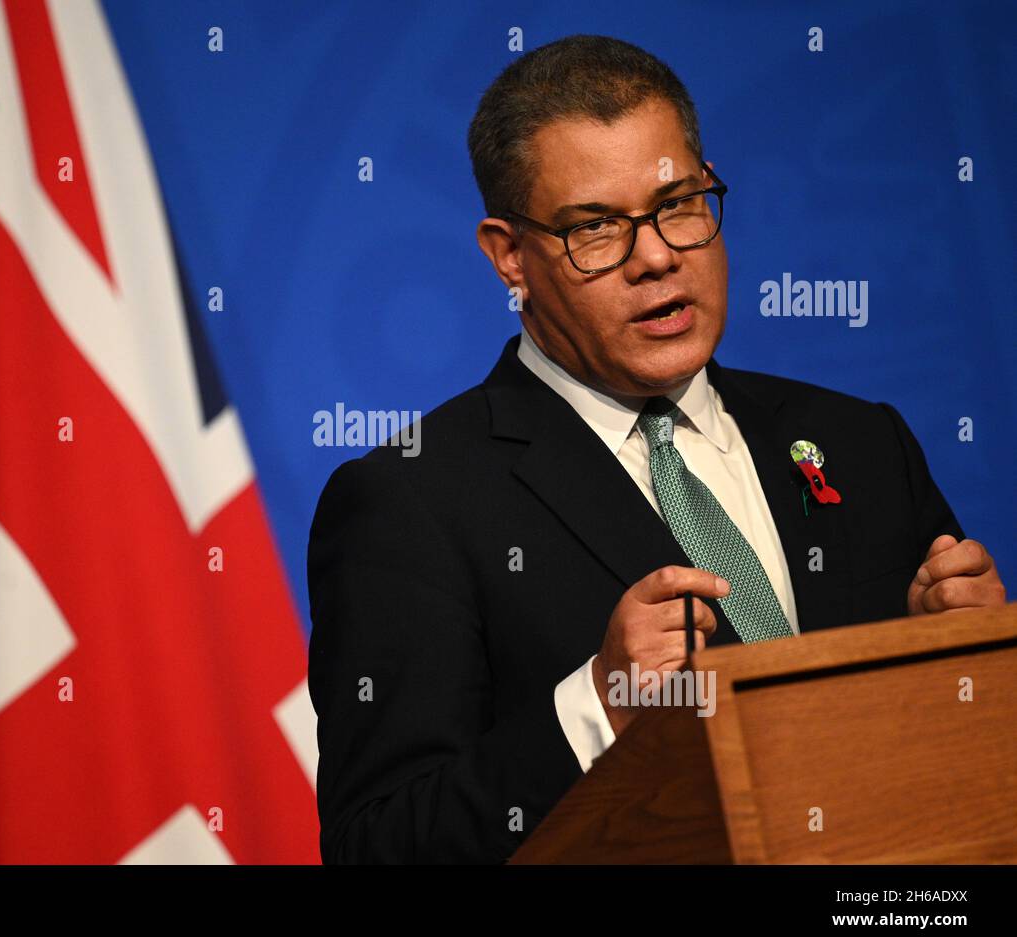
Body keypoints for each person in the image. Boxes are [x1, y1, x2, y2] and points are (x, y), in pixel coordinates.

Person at [306, 34, 1006, 864]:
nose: (657, 256)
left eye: (678, 205)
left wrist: (957, 667)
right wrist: (599, 704)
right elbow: (380, 845)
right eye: (596, 228)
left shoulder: (859, 442)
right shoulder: (411, 501)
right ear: (509, 257)